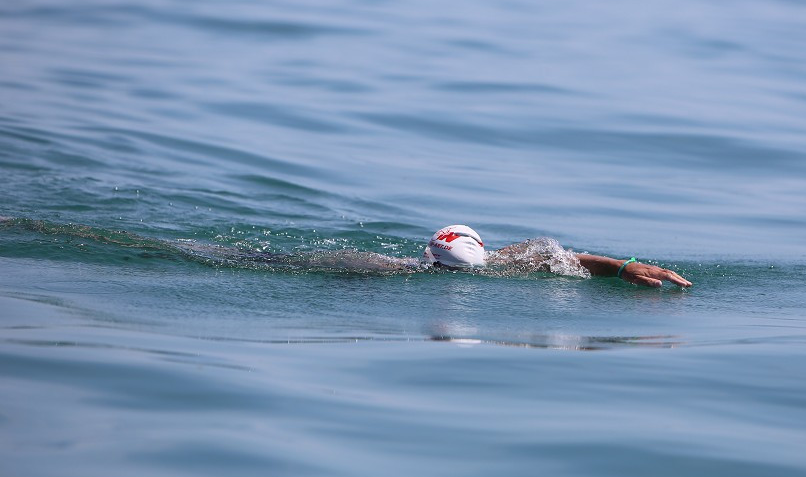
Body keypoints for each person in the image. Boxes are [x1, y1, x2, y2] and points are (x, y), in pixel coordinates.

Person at [0, 217, 691, 288]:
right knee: (232, 259)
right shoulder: (380, 273)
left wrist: (626, 266)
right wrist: (624, 267)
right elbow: (565, 257)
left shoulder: (520, 258)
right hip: (343, 274)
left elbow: (559, 254)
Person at [421, 224, 691, 288]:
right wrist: (621, 267)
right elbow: (558, 259)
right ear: (482, 249)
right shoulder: (505, 262)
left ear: (428, 256)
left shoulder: (403, 268)